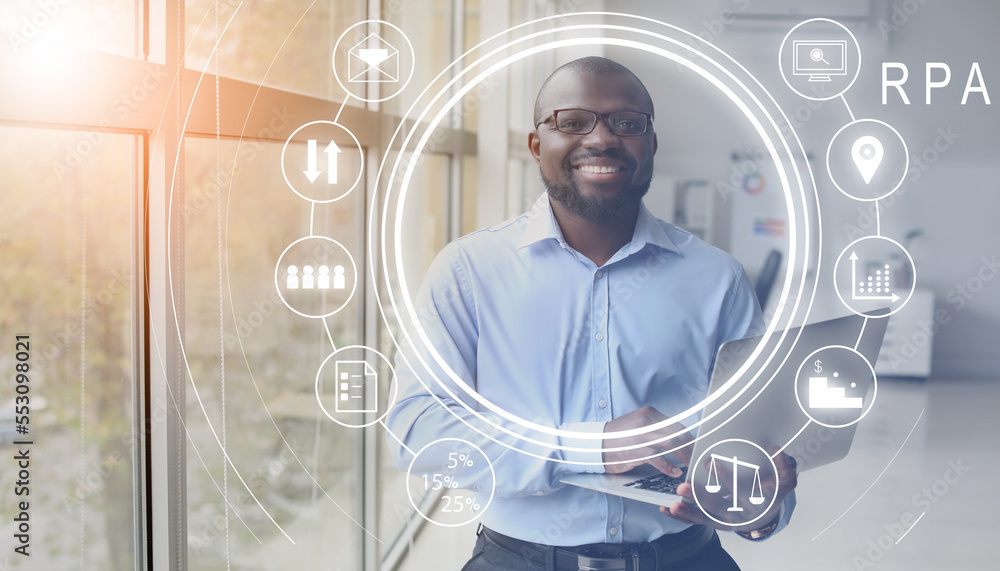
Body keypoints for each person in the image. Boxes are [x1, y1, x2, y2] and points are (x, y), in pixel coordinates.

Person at [387, 56, 798, 571]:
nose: (602, 138)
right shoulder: (468, 271)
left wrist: (759, 505)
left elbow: (757, 443)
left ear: (650, 145)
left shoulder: (719, 279)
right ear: (537, 146)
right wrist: (591, 446)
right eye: (573, 121)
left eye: (627, 124)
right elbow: (418, 434)